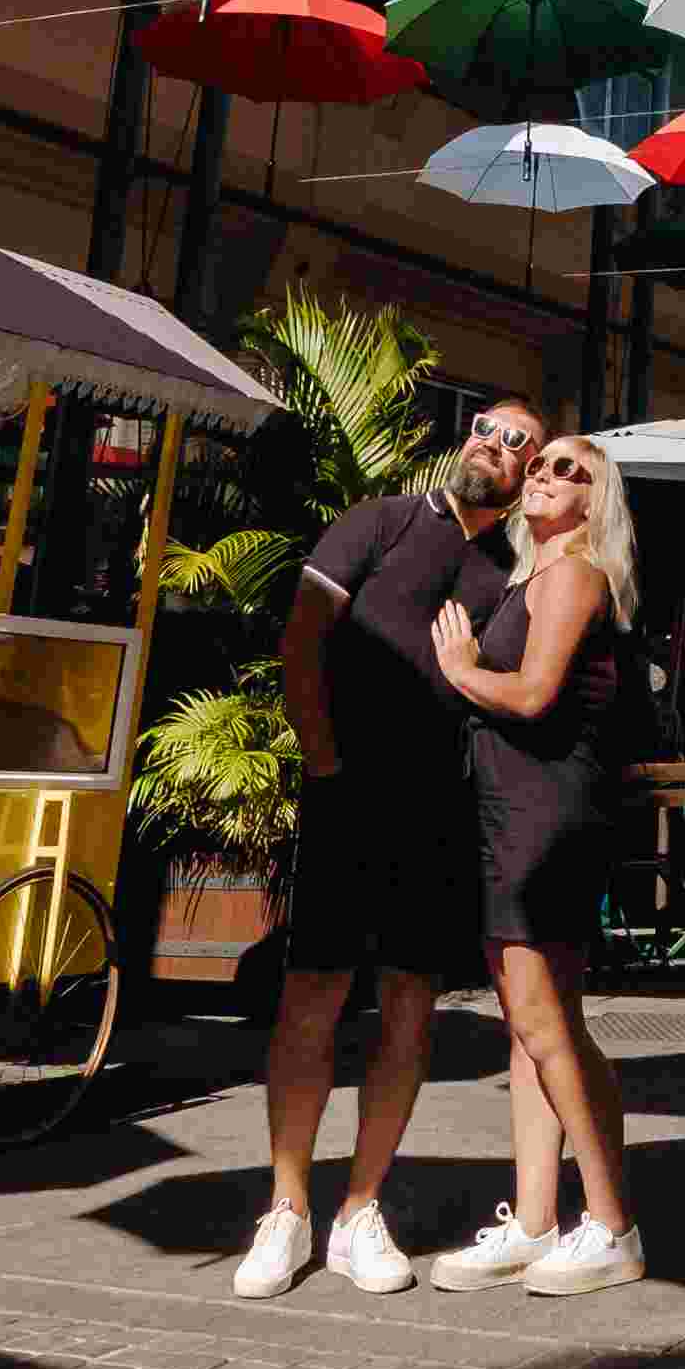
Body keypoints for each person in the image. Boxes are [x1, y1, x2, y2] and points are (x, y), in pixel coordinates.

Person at [238, 398, 539, 1299]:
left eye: (516, 439)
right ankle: (285, 1209)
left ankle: (359, 1209)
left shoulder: (510, 571)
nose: (491, 442)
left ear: (527, 473)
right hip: (344, 797)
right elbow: (301, 644)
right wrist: (325, 761)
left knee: (410, 1006)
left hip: (438, 811)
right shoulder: (380, 520)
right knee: (313, 996)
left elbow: (520, 684)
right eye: (484, 426)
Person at [417, 430, 644, 1296]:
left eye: (569, 472)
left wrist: (461, 666)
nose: (546, 475)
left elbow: (532, 692)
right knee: (528, 1028)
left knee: (548, 1027)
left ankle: (612, 1225)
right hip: (521, 806)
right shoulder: (535, 573)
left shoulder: (573, 572)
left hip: (543, 813)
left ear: (594, 501)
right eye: (543, 465)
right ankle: (537, 1219)